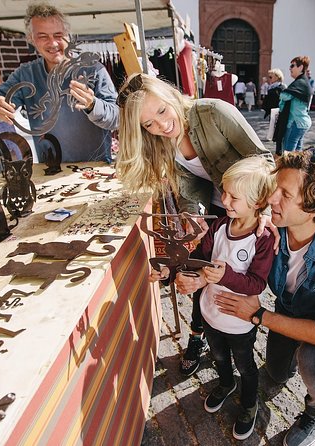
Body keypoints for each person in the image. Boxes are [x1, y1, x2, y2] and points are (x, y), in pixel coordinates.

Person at [208, 148, 315, 446]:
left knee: (312, 361)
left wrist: (258, 316)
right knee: (275, 371)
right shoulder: (273, 232)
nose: (272, 200)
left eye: (285, 194)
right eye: (275, 190)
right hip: (288, 311)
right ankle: (282, 367)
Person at [115, 73, 275, 377]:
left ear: (170, 95)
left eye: (161, 111)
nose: (161, 126)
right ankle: (200, 335)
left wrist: (264, 209)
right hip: (218, 210)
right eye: (148, 124)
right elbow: (189, 185)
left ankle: (254, 338)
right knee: (205, 270)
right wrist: (194, 216)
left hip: (248, 207)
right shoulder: (161, 143)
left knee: (254, 273)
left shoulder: (213, 111)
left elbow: (263, 159)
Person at [158, 156, 275, 440]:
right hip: (210, 314)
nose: (224, 199)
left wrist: (224, 276)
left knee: (245, 367)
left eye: (234, 196)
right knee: (220, 356)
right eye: (224, 192)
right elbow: (199, 258)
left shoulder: (262, 238)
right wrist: (172, 271)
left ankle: (249, 404)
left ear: (258, 202)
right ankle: (225, 384)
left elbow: (256, 284)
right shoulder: (220, 225)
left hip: (239, 323)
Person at [0, 2, 119, 163]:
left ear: (69, 36)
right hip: (50, 171)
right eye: (43, 36)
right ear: (32, 39)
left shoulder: (93, 70)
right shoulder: (26, 74)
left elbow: (118, 118)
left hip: (95, 168)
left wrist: (93, 105)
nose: (52, 43)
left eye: (58, 35)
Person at [273, 56, 312, 156]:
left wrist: (280, 91)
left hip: (295, 122)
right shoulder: (302, 82)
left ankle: (288, 171)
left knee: (288, 154)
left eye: (292, 65)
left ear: (300, 67)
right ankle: (297, 171)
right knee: (297, 154)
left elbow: (285, 96)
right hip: (300, 123)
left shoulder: (300, 82)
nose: (290, 68)